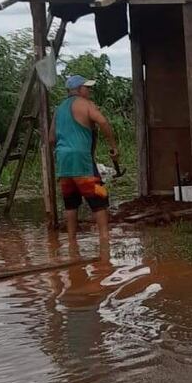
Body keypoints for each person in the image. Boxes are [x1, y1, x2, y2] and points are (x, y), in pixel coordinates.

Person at [49, 74, 119, 255]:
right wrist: (113, 146)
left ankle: (72, 244)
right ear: (78, 90)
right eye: (86, 87)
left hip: (64, 164)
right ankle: (105, 242)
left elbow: (51, 138)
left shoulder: (58, 109)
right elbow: (102, 121)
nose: (89, 90)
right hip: (82, 161)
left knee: (71, 204)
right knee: (100, 198)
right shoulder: (85, 104)